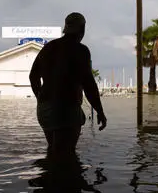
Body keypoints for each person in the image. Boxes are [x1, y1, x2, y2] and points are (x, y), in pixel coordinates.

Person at [29, 12, 107, 156]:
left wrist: (40, 98)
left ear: (66, 28)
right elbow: (89, 84)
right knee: (66, 155)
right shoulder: (81, 50)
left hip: (45, 110)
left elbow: (33, 76)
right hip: (67, 109)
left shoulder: (48, 48)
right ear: (82, 29)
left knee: (53, 150)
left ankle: (49, 176)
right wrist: (100, 111)